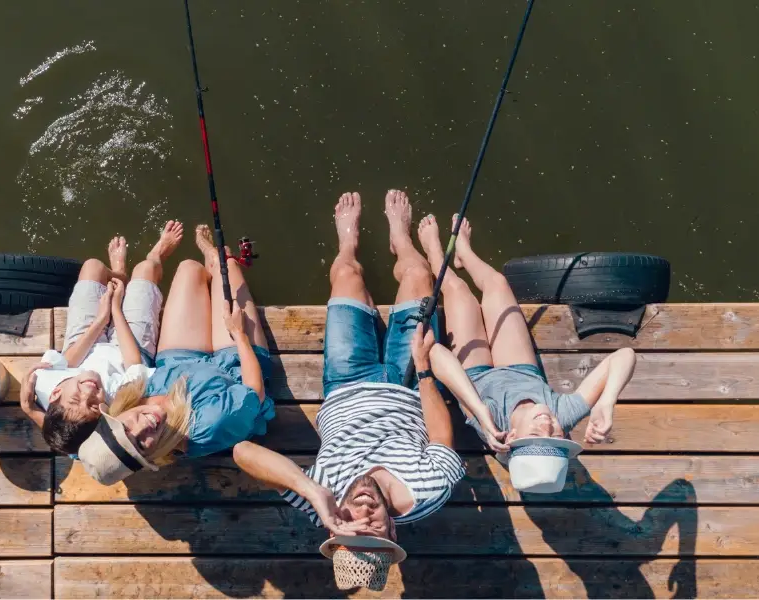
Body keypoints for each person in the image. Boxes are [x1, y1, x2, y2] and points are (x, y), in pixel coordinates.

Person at [233, 191, 465, 592]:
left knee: (346, 276)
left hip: (345, 384)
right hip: (408, 384)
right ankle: (400, 238)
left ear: (337, 527)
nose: (363, 516)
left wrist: (310, 490)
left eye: (352, 528)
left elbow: (242, 452)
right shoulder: (430, 491)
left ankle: (348, 242)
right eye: (373, 532)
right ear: (394, 533)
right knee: (419, 277)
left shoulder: (323, 499)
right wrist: (425, 369)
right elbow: (442, 438)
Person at [414, 213, 637, 494]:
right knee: (497, 284)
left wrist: (479, 410)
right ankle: (465, 253)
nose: (547, 425)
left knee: (458, 292)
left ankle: (436, 253)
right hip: (520, 367)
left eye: (535, 435)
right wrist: (606, 401)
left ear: (514, 436)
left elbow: (435, 354)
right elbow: (624, 355)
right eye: (557, 436)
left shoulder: (492, 424)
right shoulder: (562, 415)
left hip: (475, 374)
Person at [73, 224, 276, 485]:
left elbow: (68, 441)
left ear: (113, 416)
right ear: (152, 456)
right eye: (141, 445)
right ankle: (215, 258)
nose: (143, 426)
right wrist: (239, 335)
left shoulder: (125, 398)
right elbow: (254, 391)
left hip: (181, 362)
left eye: (125, 428)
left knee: (189, 268)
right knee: (225, 265)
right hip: (236, 369)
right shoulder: (205, 427)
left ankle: (209, 262)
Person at [18, 221, 184, 456]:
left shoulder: (44, 385)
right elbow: (134, 363)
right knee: (146, 269)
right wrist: (114, 310)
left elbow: (67, 363)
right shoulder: (114, 403)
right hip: (128, 350)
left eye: (76, 398)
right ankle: (157, 254)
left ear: (55, 394)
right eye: (94, 405)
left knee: (93, 267)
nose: (89, 392)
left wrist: (100, 319)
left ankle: (120, 274)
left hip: (84, 342)